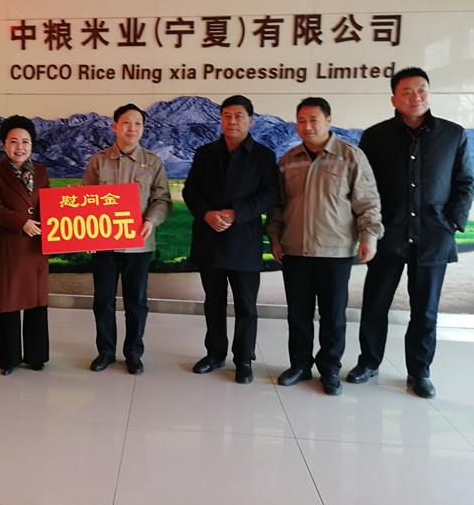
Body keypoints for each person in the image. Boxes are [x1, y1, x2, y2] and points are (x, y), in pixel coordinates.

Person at [347, 67, 474, 398]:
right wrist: (367, 230)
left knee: (425, 310)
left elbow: (465, 182)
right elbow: (364, 187)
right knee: (375, 304)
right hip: (388, 233)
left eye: (421, 90)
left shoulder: (453, 135)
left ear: (429, 94)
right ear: (394, 99)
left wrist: (452, 222)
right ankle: (368, 362)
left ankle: (419, 372)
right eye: (407, 91)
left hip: (433, 236)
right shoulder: (376, 137)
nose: (415, 96)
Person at [266, 97, 383, 396]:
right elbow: (278, 205)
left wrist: (369, 236)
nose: (307, 126)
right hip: (295, 250)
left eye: (313, 119)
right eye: (301, 120)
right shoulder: (288, 159)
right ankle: (300, 365)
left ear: (328, 121)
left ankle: (329, 368)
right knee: (298, 314)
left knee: (333, 316)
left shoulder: (350, 155)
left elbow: (367, 201)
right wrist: (275, 238)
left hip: (335, 251)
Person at [183, 95, 279, 384]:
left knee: (246, 306)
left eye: (239, 116)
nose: (232, 121)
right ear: (221, 119)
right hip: (209, 237)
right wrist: (207, 214)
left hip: (244, 241)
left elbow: (269, 195)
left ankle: (244, 359)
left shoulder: (263, 156)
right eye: (227, 115)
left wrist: (236, 213)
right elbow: (190, 191)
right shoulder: (205, 153)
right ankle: (215, 353)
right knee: (213, 302)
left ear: (250, 120)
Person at [82, 103, 172, 375]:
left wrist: (150, 220)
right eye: (126, 123)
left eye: (138, 123)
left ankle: (133, 352)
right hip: (104, 244)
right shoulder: (98, 161)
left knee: (136, 302)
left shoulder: (153, 162)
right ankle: (105, 352)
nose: (132, 128)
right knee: (103, 301)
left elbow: (162, 200)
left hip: (138, 245)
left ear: (143, 128)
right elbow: (84, 199)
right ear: (115, 126)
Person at [0, 115, 50, 375]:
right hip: (10, 246)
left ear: (32, 145)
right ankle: (9, 359)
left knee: (37, 300)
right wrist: (22, 222)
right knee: (9, 301)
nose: (19, 147)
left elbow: (48, 204)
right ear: (4, 145)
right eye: (13, 141)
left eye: (25, 141)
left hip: (37, 245)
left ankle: (36, 355)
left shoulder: (41, 171)